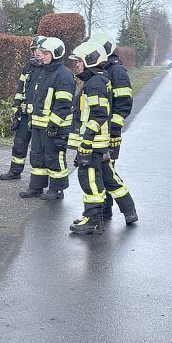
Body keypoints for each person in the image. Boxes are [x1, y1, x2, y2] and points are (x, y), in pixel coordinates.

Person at [88, 32, 138, 225]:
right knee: (101, 172)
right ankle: (105, 209)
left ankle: (127, 208)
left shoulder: (116, 71)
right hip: (99, 132)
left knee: (106, 171)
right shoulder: (100, 70)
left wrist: (113, 128)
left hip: (109, 133)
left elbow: (124, 103)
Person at [19, 37, 74, 200]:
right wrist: (32, 119)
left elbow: (63, 104)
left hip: (54, 127)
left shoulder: (63, 75)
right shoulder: (42, 71)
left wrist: (53, 125)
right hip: (38, 124)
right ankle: (36, 187)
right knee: (37, 156)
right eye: (40, 53)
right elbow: (36, 98)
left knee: (54, 157)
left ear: (55, 54)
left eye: (45, 53)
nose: (40, 56)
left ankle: (57, 189)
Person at [67, 42, 113, 235]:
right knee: (92, 178)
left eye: (78, 61)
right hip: (93, 142)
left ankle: (92, 220)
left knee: (89, 179)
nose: (76, 65)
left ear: (89, 61)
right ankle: (94, 218)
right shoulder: (96, 80)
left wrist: (86, 140)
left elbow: (98, 114)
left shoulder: (95, 83)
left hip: (93, 143)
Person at [1, 35, 46, 180]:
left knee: (39, 150)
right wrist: (16, 111)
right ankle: (15, 172)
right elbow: (20, 90)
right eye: (34, 49)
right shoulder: (29, 67)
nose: (36, 52)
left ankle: (40, 180)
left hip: (41, 116)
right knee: (19, 144)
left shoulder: (50, 69)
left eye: (39, 49)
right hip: (25, 115)